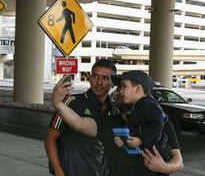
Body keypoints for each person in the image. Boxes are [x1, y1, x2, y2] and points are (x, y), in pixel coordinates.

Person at [51, 71, 184, 176]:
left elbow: (178, 162)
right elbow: (79, 123)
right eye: (118, 88)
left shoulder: (160, 121)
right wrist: (58, 103)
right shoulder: (109, 122)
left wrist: (164, 167)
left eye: (124, 87)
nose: (119, 92)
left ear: (138, 90)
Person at [44, 59, 117, 176]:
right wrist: (58, 172)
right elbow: (50, 139)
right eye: (95, 76)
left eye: (105, 78)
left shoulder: (114, 110)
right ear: (89, 78)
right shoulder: (72, 102)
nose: (99, 82)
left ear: (113, 83)